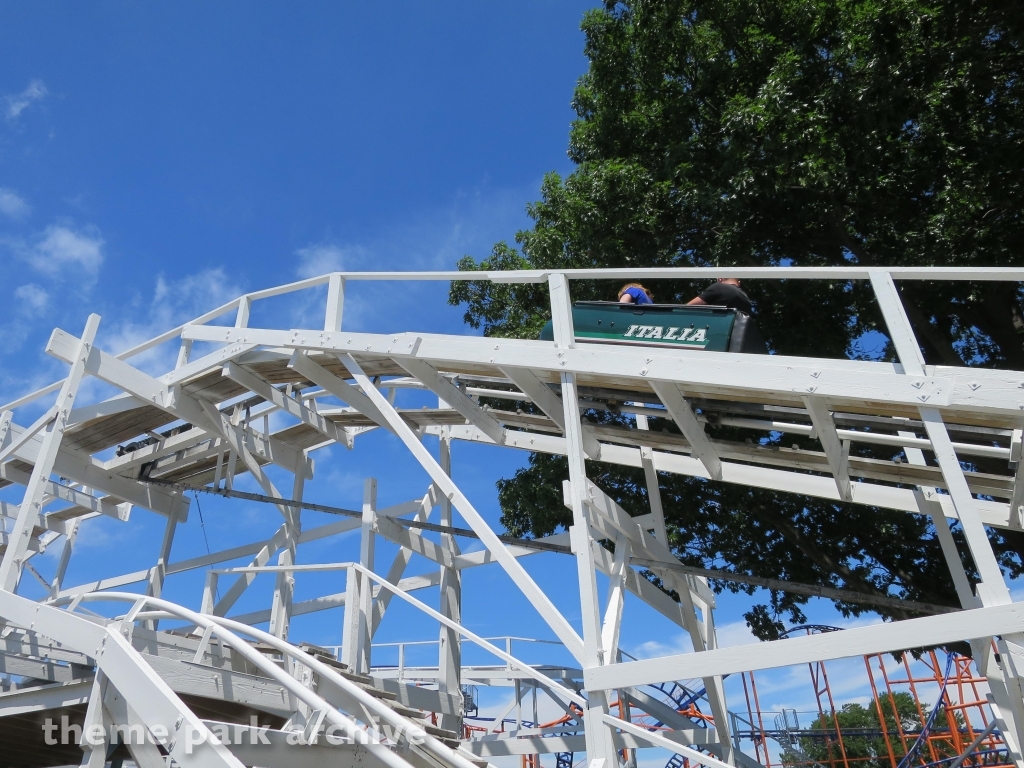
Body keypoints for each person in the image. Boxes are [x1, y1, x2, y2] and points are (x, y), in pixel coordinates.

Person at [687, 277, 752, 313]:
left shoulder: (718, 287)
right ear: (739, 283)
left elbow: (688, 307)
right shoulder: (746, 298)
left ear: (720, 279)